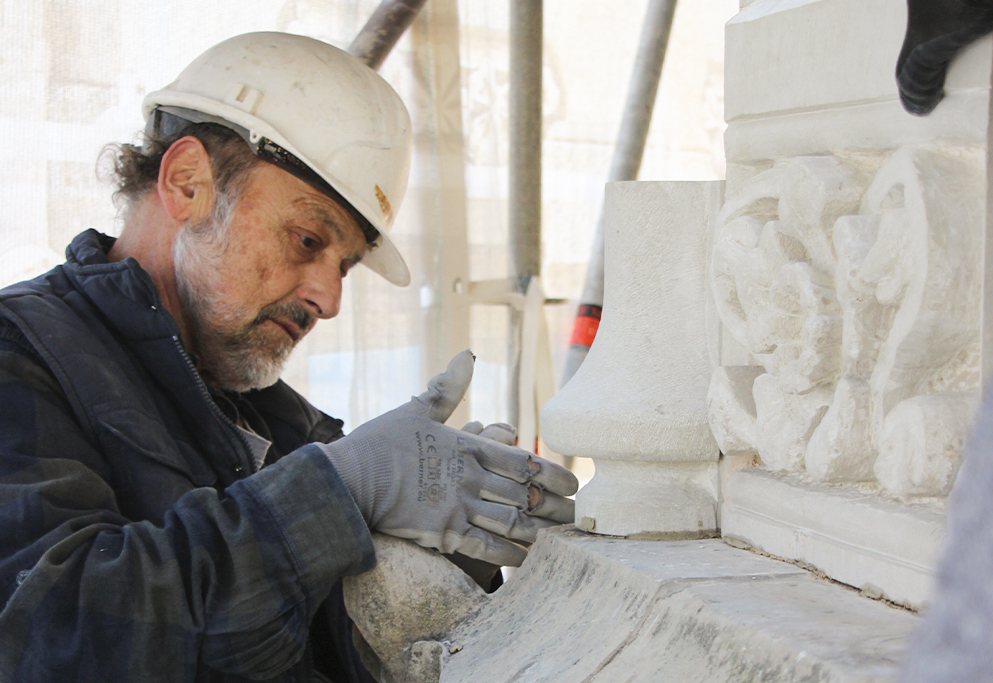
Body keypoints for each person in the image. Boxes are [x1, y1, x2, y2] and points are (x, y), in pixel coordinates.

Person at [0, 32, 577, 683]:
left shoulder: (270, 416)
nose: (329, 298)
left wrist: (432, 561)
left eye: (345, 265)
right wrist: (338, 491)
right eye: (307, 239)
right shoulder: (23, 352)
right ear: (188, 182)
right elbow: (54, 638)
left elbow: (305, 646)